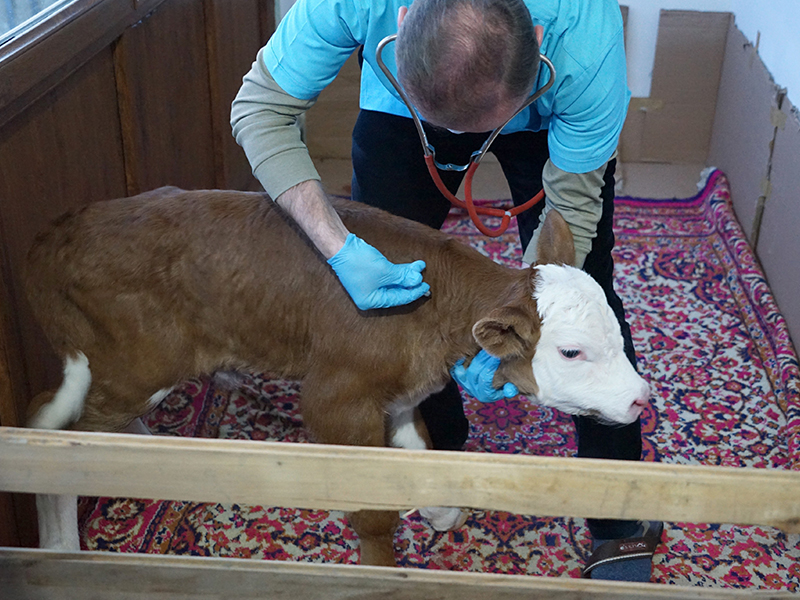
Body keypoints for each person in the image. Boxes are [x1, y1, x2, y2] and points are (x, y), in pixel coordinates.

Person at [231, 0, 662, 581]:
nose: (462, 141)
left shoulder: (587, 38)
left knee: (588, 293)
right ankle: (439, 450)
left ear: (536, 41)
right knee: (390, 298)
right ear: (401, 23)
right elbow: (261, 108)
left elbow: (573, 207)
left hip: (544, 117)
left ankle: (616, 519)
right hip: (403, 114)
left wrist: (534, 321)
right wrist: (338, 245)